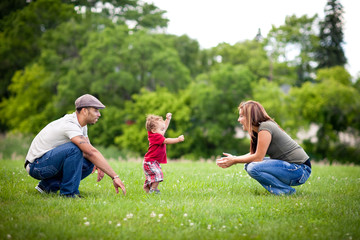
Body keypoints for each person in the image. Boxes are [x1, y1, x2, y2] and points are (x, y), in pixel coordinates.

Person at [24, 94, 126, 198]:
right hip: (36, 166)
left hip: (46, 162)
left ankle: (48, 186)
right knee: (75, 149)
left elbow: (89, 151)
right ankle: (68, 194)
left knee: (90, 162)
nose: (99, 114)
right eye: (96, 110)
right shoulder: (70, 125)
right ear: (84, 111)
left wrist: (99, 164)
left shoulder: (82, 125)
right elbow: (89, 151)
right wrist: (114, 176)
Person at [216, 100, 311, 195]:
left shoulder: (265, 127)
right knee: (249, 165)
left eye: (241, 116)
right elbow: (253, 154)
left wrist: (234, 161)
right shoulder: (257, 131)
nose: (238, 120)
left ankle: (286, 192)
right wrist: (234, 158)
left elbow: (258, 157)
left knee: (253, 167)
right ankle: (285, 191)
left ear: (250, 116)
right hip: (292, 168)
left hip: (300, 170)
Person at [143, 113, 184, 194]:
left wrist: (167, 120)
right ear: (154, 130)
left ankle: (148, 187)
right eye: (162, 130)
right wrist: (178, 139)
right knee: (158, 175)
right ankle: (153, 190)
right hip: (150, 162)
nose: (164, 131)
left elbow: (164, 127)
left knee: (154, 176)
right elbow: (167, 141)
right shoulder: (156, 137)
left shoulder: (155, 133)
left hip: (152, 161)